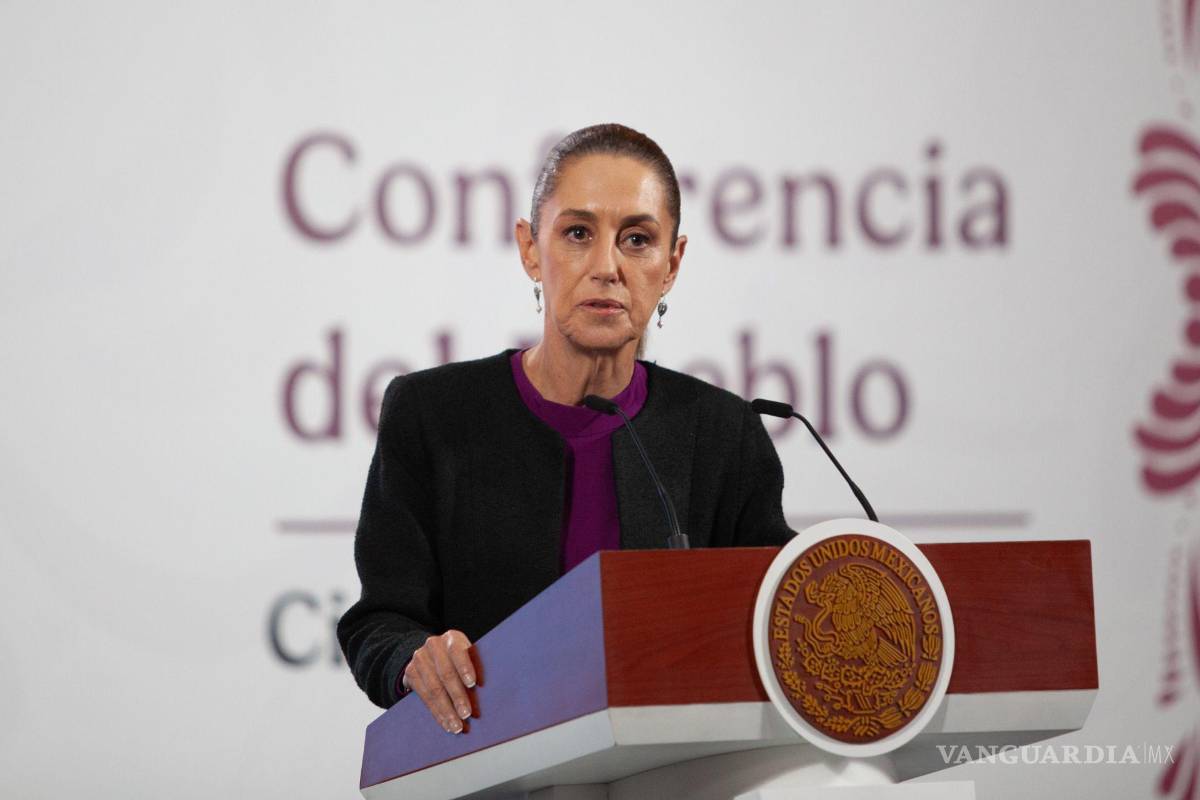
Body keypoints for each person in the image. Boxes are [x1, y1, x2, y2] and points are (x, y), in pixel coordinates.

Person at [336, 123, 795, 731]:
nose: (607, 267)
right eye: (578, 233)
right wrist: (412, 660)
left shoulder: (721, 434)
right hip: (491, 770)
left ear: (672, 264)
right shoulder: (432, 414)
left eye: (637, 239)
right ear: (531, 249)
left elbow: (782, 617)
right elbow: (380, 623)